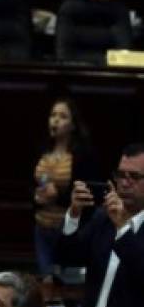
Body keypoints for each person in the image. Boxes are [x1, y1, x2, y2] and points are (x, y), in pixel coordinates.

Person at [58, 143, 144, 307]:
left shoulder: (114, 220)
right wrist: (73, 214)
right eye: (121, 175)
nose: (125, 183)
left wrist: (123, 228)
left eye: (135, 177)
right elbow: (67, 256)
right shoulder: (102, 218)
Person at [32, 99, 98, 281]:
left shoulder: (81, 155)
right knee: (46, 280)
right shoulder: (43, 150)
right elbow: (32, 184)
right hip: (42, 227)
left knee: (65, 282)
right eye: (53, 115)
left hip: (66, 229)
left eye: (62, 116)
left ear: (73, 125)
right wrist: (36, 197)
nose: (55, 120)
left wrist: (58, 196)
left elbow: (86, 193)